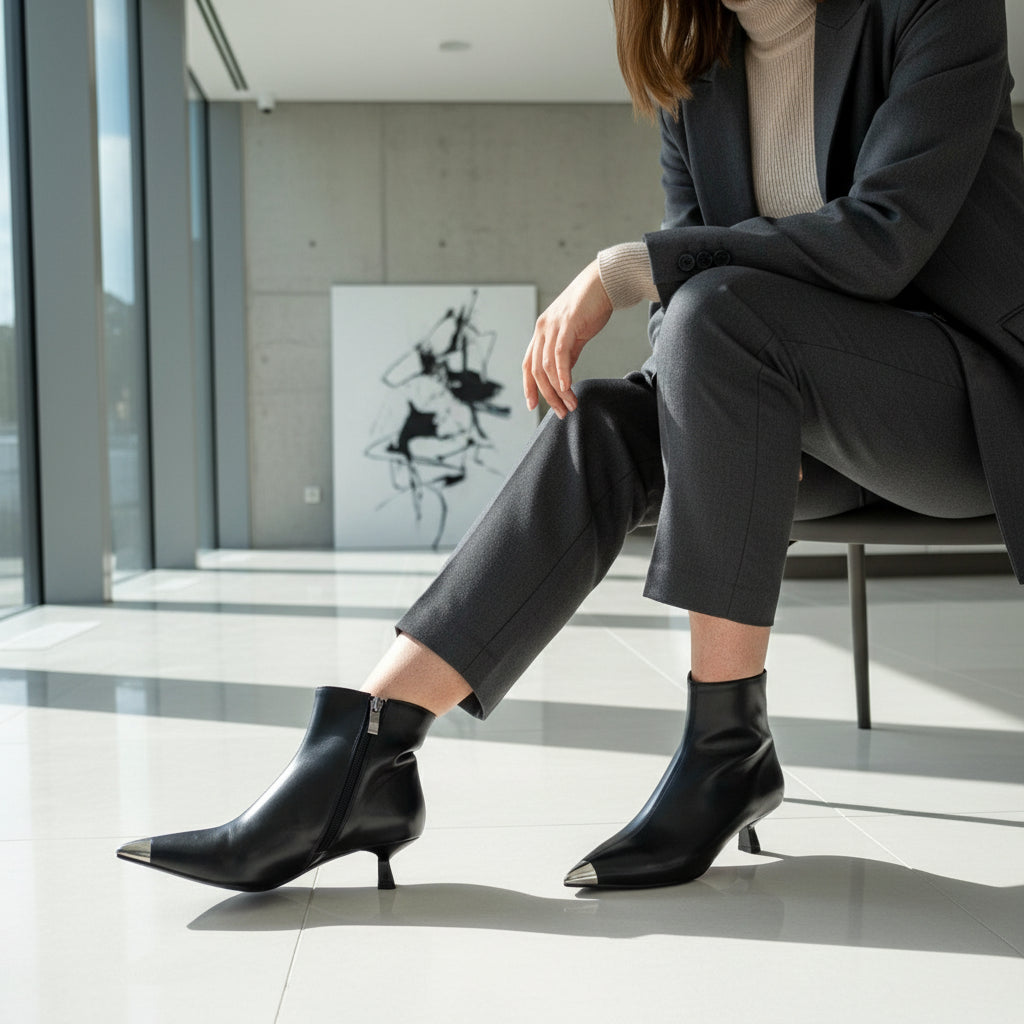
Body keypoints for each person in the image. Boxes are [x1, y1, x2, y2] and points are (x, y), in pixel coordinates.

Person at [117, 0, 1024, 892]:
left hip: (960, 415)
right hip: (803, 438)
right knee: (602, 420)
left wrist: (624, 266)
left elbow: (882, 243)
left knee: (714, 312)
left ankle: (724, 748)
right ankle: (364, 759)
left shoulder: (934, 9)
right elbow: (693, 314)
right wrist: (718, 400)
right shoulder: (696, 85)